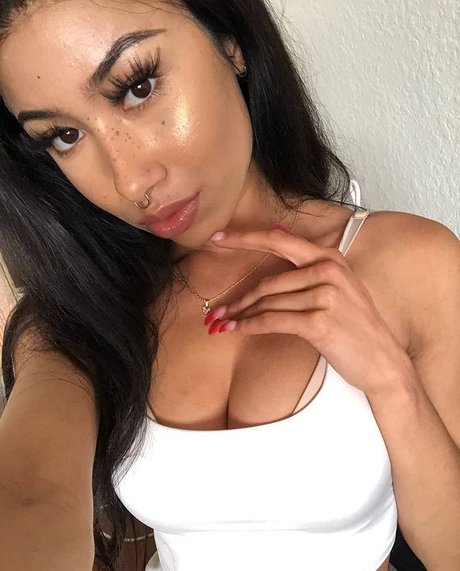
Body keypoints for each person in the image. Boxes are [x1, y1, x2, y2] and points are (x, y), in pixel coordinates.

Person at [0, 1, 458, 570]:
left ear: (229, 40)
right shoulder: (82, 314)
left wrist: (392, 382)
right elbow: (31, 497)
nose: (130, 180)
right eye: (65, 135)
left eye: (138, 87)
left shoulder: (412, 261)